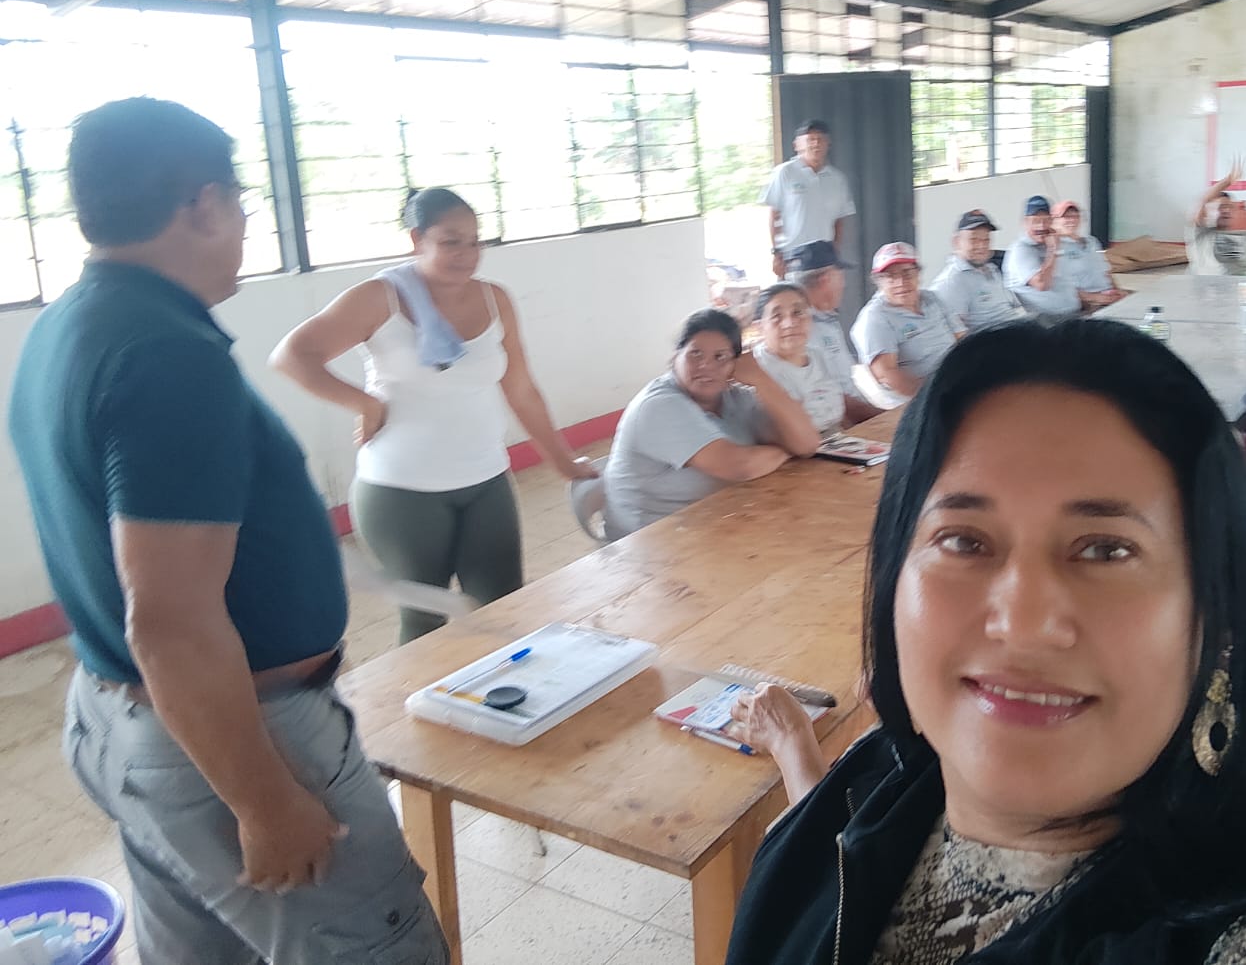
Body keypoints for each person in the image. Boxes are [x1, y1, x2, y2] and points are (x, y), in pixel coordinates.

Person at [725, 319, 1246, 965]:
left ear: (1213, 618)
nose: (1023, 621)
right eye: (963, 540)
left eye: (1104, 550)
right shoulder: (870, 785)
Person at [5, 99, 446, 963]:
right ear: (203, 204)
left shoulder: (70, 321)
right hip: (232, 740)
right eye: (242, 202)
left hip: (123, 718)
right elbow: (170, 620)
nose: (245, 223)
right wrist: (265, 803)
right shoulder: (166, 355)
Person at [271, 187, 595, 644]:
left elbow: (521, 390)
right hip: (402, 490)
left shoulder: (494, 299)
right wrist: (366, 404)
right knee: (425, 624)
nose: (467, 254)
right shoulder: (379, 298)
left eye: (475, 241)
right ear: (416, 239)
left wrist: (563, 462)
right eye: (451, 241)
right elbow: (292, 356)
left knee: (505, 611)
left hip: (486, 480)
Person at [602, 309, 821, 538]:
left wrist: (760, 379)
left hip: (715, 521)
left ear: (735, 364)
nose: (706, 365)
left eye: (720, 357)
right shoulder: (658, 405)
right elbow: (739, 467)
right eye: (695, 354)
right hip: (649, 541)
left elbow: (807, 444)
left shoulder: (734, 397)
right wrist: (786, 450)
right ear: (675, 358)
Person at [852, 242, 964, 402]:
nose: (900, 282)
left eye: (907, 273)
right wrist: (938, 393)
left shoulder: (932, 298)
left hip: (958, 382)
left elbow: (962, 339)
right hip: (922, 399)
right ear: (878, 281)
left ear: (918, 274)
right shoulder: (875, 317)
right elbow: (887, 375)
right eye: (891, 276)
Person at [785, 240, 880, 426]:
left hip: (856, 415)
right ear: (826, 279)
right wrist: (881, 419)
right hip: (838, 424)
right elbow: (835, 399)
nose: (843, 284)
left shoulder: (827, 319)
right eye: (841, 276)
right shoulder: (802, 331)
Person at [752, 281, 846, 438]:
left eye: (798, 313)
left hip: (838, 440)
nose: (789, 323)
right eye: (777, 316)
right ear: (759, 327)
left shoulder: (818, 356)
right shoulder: (756, 368)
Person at [764, 118, 856, 278]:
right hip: (793, 259)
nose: (816, 144)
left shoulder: (837, 179)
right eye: (810, 139)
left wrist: (835, 251)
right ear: (797, 145)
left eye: (820, 139)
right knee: (795, 293)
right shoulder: (785, 173)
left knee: (825, 295)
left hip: (825, 259)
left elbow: (839, 220)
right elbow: (774, 215)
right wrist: (776, 253)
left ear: (828, 144)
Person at [928, 209, 1027, 331]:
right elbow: (954, 332)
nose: (981, 246)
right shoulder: (952, 281)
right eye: (974, 240)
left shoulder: (992, 268)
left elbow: (1014, 306)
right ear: (956, 242)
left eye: (986, 240)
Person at [1002, 195, 1080, 319]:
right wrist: (1053, 250)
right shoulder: (1021, 249)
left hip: (1074, 314)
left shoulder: (1051, 243)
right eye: (1036, 221)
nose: (1042, 226)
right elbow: (1042, 284)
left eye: (1046, 220)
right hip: (1045, 322)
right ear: (1025, 222)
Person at [1187, 158, 1246, 276]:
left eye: (1229, 207)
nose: (1226, 211)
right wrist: (1228, 180)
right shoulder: (1202, 234)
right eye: (1221, 207)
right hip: (1208, 286)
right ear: (1209, 211)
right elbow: (1202, 202)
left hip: (1240, 285)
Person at [1051, 200, 1126, 307]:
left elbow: (1105, 271)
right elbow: (1060, 286)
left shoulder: (1091, 241)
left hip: (1108, 294)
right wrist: (1094, 298)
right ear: (1054, 221)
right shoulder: (1055, 247)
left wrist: (1117, 290)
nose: (1072, 220)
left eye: (1075, 216)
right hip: (1084, 302)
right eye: (1066, 217)